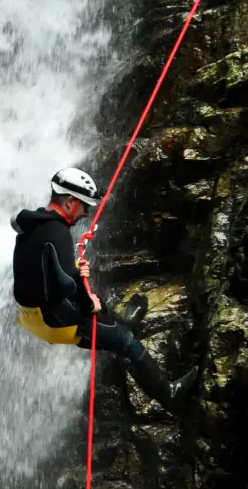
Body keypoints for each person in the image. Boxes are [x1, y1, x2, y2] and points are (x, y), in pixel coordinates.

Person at [11, 167, 198, 415]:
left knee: (100, 309)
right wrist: (88, 304)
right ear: (70, 201)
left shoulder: (32, 225)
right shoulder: (57, 231)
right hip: (57, 319)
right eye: (84, 206)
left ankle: (123, 321)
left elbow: (42, 271)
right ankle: (169, 395)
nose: (86, 213)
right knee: (123, 340)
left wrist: (76, 272)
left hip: (31, 318)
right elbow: (67, 283)